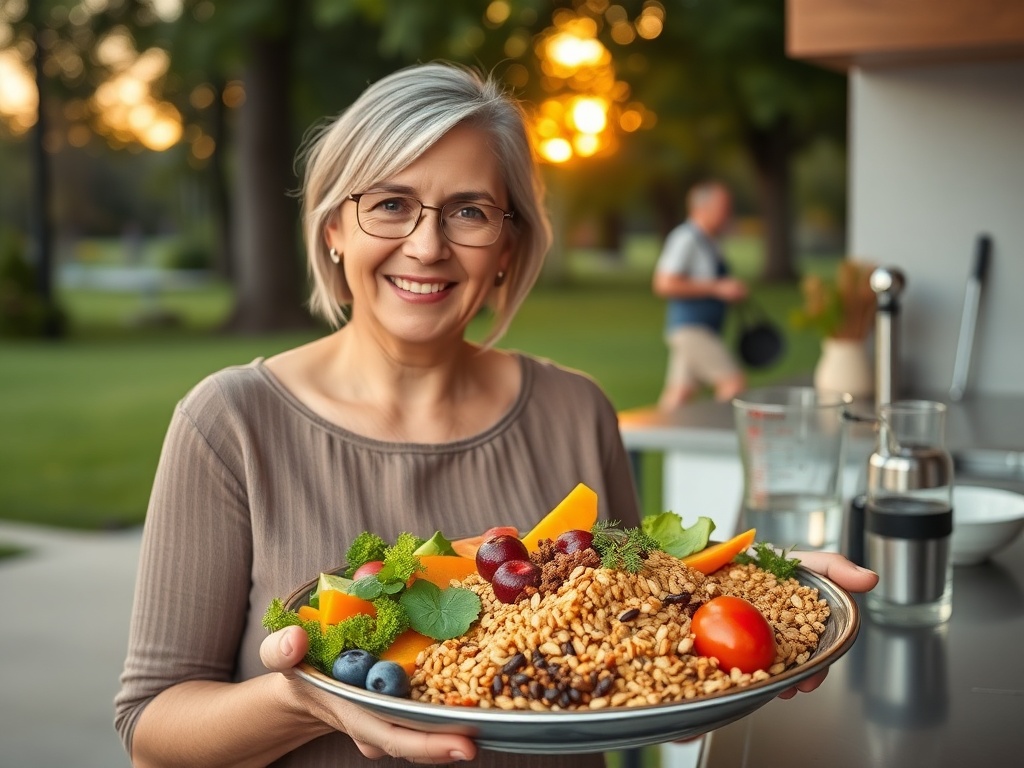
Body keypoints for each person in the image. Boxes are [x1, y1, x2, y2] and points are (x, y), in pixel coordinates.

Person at [114, 62, 877, 768]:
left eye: (470, 212)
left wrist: (751, 598)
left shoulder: (576, 410)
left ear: (509, 245)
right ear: (334, 230)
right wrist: (305, 701)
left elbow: (643, 670)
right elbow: (152, 729)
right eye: (389, 204)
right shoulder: (229, 424)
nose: (427, 245)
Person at [652, 181, 749, 410]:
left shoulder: (710, 241)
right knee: (733, 383)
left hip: (702, 328)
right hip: (692, 329)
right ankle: (718, 436)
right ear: (702, 208)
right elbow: (663, 283)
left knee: (679, 395)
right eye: (723, 207)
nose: (728, 214)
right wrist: (717, 288)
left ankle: (634, 445)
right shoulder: (685, 239)